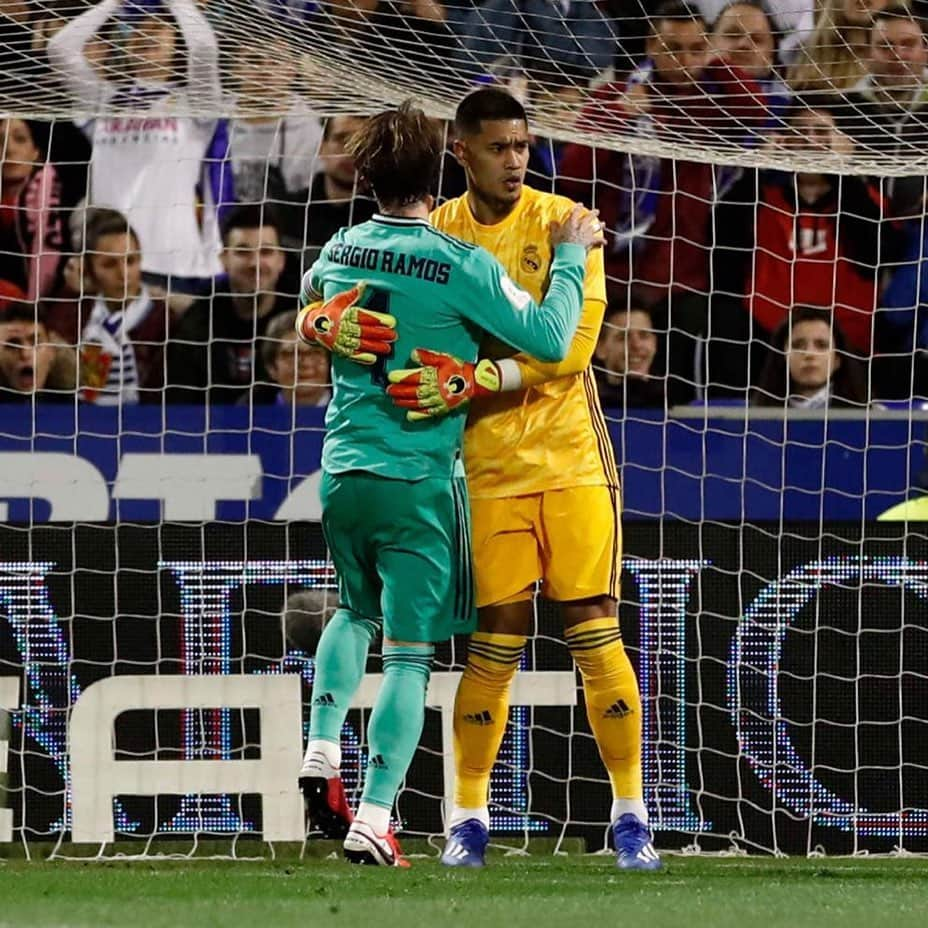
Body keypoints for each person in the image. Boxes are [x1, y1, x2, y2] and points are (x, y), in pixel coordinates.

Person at [294, 100, 599, 867]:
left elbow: (309, 296)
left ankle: (321, 747)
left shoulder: (339, 248)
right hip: (418, 479)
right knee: (407, 655)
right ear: (442, 173)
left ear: (364, 177)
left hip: (340, 472)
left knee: (352, 610)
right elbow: (553, 340)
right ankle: (373, 816)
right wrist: (567, 258)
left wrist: (311, 323)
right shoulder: (459, 264)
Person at [383, 88, 660, 871]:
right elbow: (414, 342)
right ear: (462, 152)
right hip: (485, 467)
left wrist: (475, 376)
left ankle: (630, 813)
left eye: (523, 145)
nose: (515, 159)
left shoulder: (566, 224)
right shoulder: (435, 236)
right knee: (495, 641)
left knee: (594, 627)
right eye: (499, 147)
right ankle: (467, 816)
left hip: (572, 459)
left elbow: (572, 352)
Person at [48, 0, 226, 288]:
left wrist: (176, 2)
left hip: (172, 264)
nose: (146, 34)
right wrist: (112, 2)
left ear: (178, 42)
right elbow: (59, 50)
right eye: (136, 29)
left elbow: (204, 49)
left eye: (157, 28)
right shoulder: (101, 101)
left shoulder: (195, 102)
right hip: (109, 264)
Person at [166, 205, 292, 404]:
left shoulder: (303, 320)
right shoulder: (198, 322)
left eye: (266, 252)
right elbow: (180, 403)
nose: (255, 264)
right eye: (243, 252)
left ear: (281, 260)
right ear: (223, 260)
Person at [0, 118, 65, 302]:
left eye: (20, 139)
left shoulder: (60, 200)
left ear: (36, 151)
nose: (9, 150)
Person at [751, 306, 869, 407]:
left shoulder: (872, 417)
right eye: (798, 345)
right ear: (783, 356)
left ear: (837, 359)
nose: (809, 354)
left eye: (821, 345)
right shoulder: (751, 417)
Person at [243, 309, 332, 407]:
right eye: (291, 354)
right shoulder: (247, 410)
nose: (305, 363)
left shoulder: (348, 410)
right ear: (271, 368)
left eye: (315, 353)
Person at [0, 305, 76, 402]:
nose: (25, 354)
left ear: (52, 351)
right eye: (13, 345)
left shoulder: (77, 410)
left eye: (35, 342)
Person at [594, 305, 665, 409]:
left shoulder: (675, 402)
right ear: (600, 348)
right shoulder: (586, 404)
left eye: (644, 336)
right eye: (623, 337)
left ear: (655, 343)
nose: (636, 345)